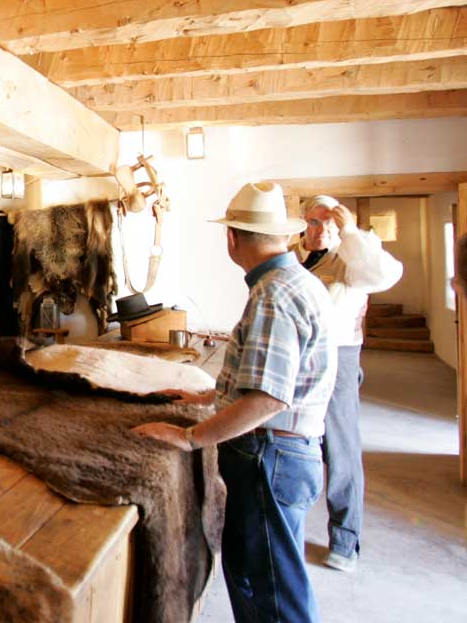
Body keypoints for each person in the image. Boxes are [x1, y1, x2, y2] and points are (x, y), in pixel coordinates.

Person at [132, 182, 336, 623]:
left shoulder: (272, 295)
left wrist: (190, 436)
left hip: (269, 455)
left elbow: (268, 398)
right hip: (281, 454)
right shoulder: (294, 282)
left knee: (274, 593)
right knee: (252, 574)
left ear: (232, 237)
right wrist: (208, 397)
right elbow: (273, 377)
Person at [294, 195, 401, 572]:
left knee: (340, 447)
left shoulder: (353, 257)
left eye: (329, 223)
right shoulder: (296, 256)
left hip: (338, 356)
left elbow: (384, 275)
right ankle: (289, 528)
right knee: (292, 441)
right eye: (314, 222)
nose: (321, 230)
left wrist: (352, 232)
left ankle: (345, 539)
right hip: (298, 357)